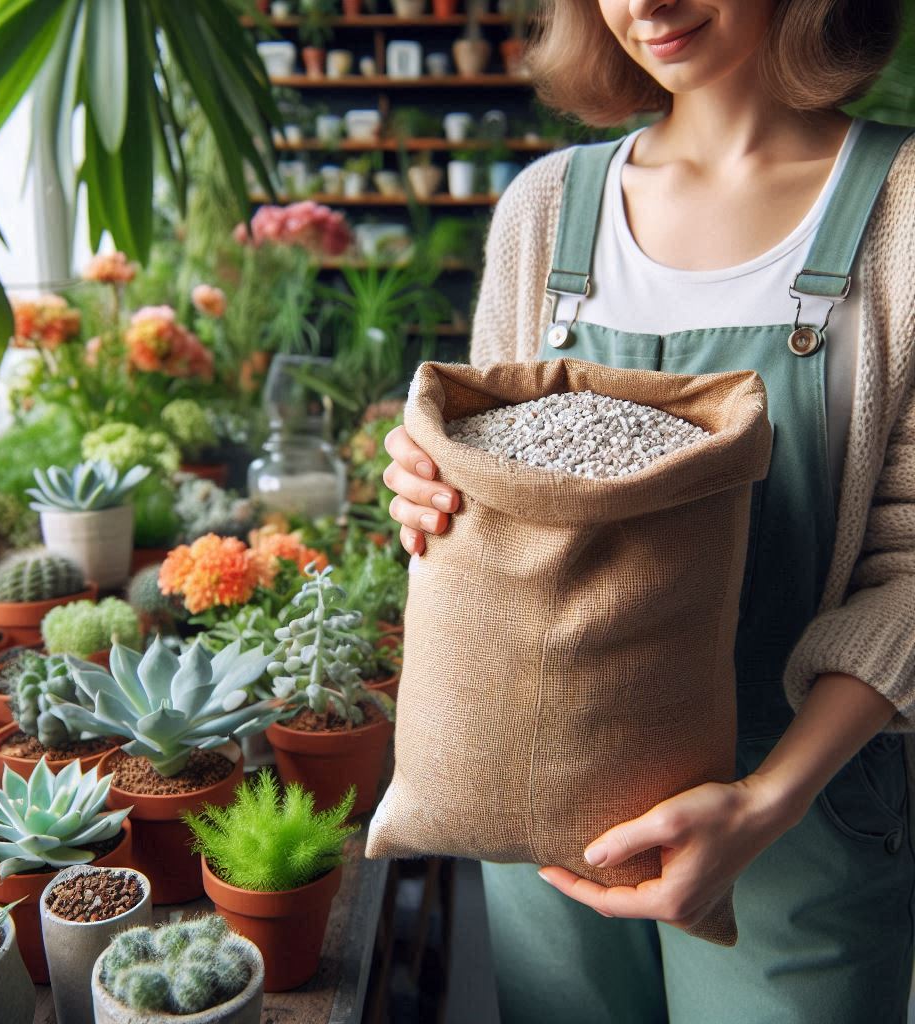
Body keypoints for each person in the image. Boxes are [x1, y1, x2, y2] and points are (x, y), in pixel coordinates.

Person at [381, 1, 915, 1020]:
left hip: (795, 807)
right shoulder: (545, 207)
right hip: (536, 788)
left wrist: (767, 802)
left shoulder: (903, 211)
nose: (646, 7)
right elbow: (487, 486)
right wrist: (427, 489)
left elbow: (910, 562)